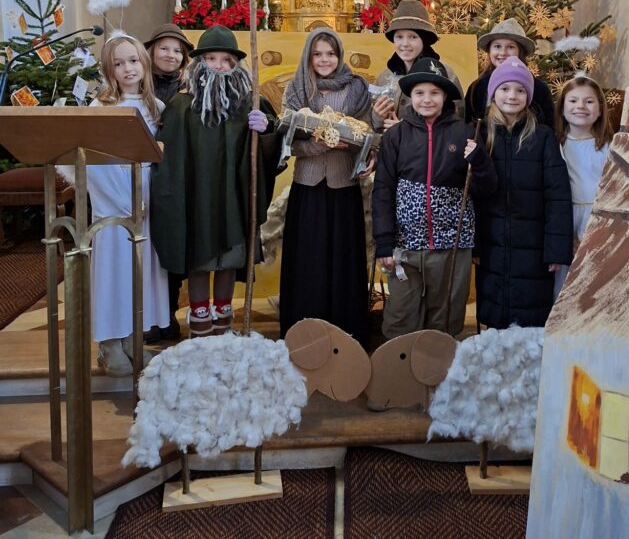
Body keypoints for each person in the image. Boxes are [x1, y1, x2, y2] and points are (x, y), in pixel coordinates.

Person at [151, 25, 279, 336]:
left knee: (230, 258)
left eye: (226, 60)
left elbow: (272, 150)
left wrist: (266, 128)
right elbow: (169, 159)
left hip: (234, 197)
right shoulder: (182, 105)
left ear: (236, 65)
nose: (219, 66)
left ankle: (224, 322)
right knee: (200, 257)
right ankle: (199, 324)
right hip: (197, 199)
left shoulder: (250, 103)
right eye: (211, 59)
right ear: (199, 63)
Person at [372, 57, 496, 339]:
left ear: (445, 96)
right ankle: (401, 365)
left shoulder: (465, 133)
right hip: (406, 245)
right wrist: (384, 242)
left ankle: (439, 365)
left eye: (434, 93)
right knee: (401, 317)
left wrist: (480, 162)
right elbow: (383, 190)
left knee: (444, 318)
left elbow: (486, 189)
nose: (427, 99)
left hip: (451, 246)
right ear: (410, 96)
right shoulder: (396, 136)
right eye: (419, 93)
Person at [279, 28, 373, 344]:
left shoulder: (357, 88)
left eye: (330, 54)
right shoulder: (296, 89)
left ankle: (346, 333)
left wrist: (360, 149)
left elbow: (366, 134)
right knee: (308, 260)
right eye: (317, 54)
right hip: (308, 186)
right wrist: (320, 143)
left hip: (343, 185)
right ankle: (304, 332)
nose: (324, 60)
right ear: (308, 56)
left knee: (344, 259)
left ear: (339, 55)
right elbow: (288, 142)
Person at [86, 34, 169, 375]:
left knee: (139, 271)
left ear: (144, 63)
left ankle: (134, 337)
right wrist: (122, 202)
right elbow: (92, 163)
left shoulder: (156, 107)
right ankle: (109, 343)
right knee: (113, 271)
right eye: (118, 63)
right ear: (109, 70)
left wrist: (148, 199)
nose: (128, 68)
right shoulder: (100, 108)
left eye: (133, 60)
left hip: (146, 198)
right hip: (114, 202)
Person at [474, 56, 573, 329]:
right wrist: (476, 244)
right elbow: (473, 196)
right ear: (493, 93)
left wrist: (556, 250)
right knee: (495, 314)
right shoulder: (481, 134)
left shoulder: (542, 137)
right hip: (492, 242)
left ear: (528, 96)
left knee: (530, 316)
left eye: (520, 90)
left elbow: (557, 196)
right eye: (505, 88)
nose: (512, 95)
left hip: (533, 244)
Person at [142, 23, 193, 343]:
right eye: (164, 48)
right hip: (143, 177)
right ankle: (145, 314)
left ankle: (168, 312)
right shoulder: (138, 84)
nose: (170, 55)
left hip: (176, 177)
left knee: (172, 245)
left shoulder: (189, 89)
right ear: (151, 51)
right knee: (146, 248)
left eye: (177, 50)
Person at [554, 74, 614, 299]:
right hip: (565, 217)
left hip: (599, 218)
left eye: (589, 101)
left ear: (600, 110)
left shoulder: (610, 147)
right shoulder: (554, 145)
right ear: (562, 108)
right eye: (573, 100)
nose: (580, 106)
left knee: (596, 281)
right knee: (564, 285)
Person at [371, 0, 463, 132]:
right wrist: (377, 117)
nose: (405, 44)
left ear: (424, 39)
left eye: (413, 37)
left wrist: (405, 129)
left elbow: (457, 120)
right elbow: (374, 126)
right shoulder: (384, 77)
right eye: (399, 37)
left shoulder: (444, 74)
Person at [464, 18, 554, 128]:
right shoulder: (477, 87)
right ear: (490, 51)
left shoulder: (539, 89)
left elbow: (550, 127)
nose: (503, 53)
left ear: (520, 51)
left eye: (511, 47)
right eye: (497, 46)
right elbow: (468, 125)